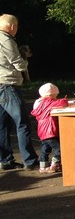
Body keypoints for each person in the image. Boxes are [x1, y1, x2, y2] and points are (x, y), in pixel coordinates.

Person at [0, 13, 37, 170]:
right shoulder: (5, 39)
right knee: (22, 122)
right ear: (12, 26)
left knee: (2, 125)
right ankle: (30, 160)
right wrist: (25, 61)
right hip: (8, 85)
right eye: (17, 27)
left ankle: (5, 160)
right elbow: (18, 63)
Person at [30, 82, 68, 173]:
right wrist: (64, 99)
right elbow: (62, 102)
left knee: (45, 148)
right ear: (50, 95)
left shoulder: (38, 102)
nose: (56, 98)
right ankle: (55, 164)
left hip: (42, 130)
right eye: (55, 96)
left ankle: (43, 166)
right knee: (60, 148)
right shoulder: (49, 102)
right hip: (50, 130)